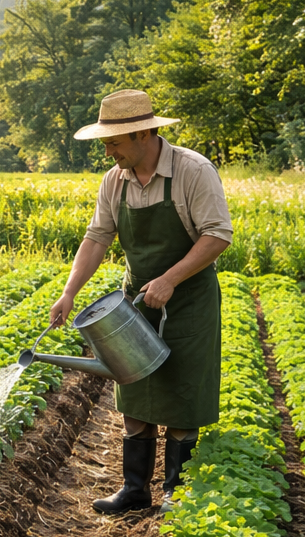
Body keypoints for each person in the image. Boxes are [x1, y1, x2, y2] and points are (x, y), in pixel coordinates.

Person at [49, 89, 233, 513]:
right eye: (105, 143)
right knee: (136, 389)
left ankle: (176, 490)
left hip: (189, 298)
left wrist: (170, 279)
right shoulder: (115, 180)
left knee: (184, 393)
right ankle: (135, 490)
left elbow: (217, 235)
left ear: (145, 133)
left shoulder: (192, 171)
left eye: (114, 142)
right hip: (136, 302)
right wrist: (69, 292)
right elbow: (97, 237)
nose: (108, 151)